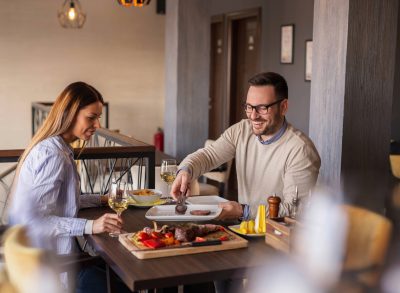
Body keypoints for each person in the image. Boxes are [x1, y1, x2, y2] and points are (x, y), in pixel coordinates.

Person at [8, 82, 127, 292]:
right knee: (123, 279)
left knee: (117, 273)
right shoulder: (53, 155)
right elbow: (34, 221)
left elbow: (59, 202)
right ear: (70, 113)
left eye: (98, 117)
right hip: (53, 268)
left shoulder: (56, 148)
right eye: (91, 117)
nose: (98, 125)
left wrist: (101, 199)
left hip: (57, 258)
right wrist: (92, 226)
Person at [171, 72, 321, 220]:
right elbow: (208, 156)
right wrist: (186, 170)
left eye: (262, 108)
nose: (253, 116)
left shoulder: (301, 150)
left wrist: (244, 211)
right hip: (243, 229)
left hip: (276, 238)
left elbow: (295, 211)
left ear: (283, 107)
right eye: (249, 107)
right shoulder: (242, 130)